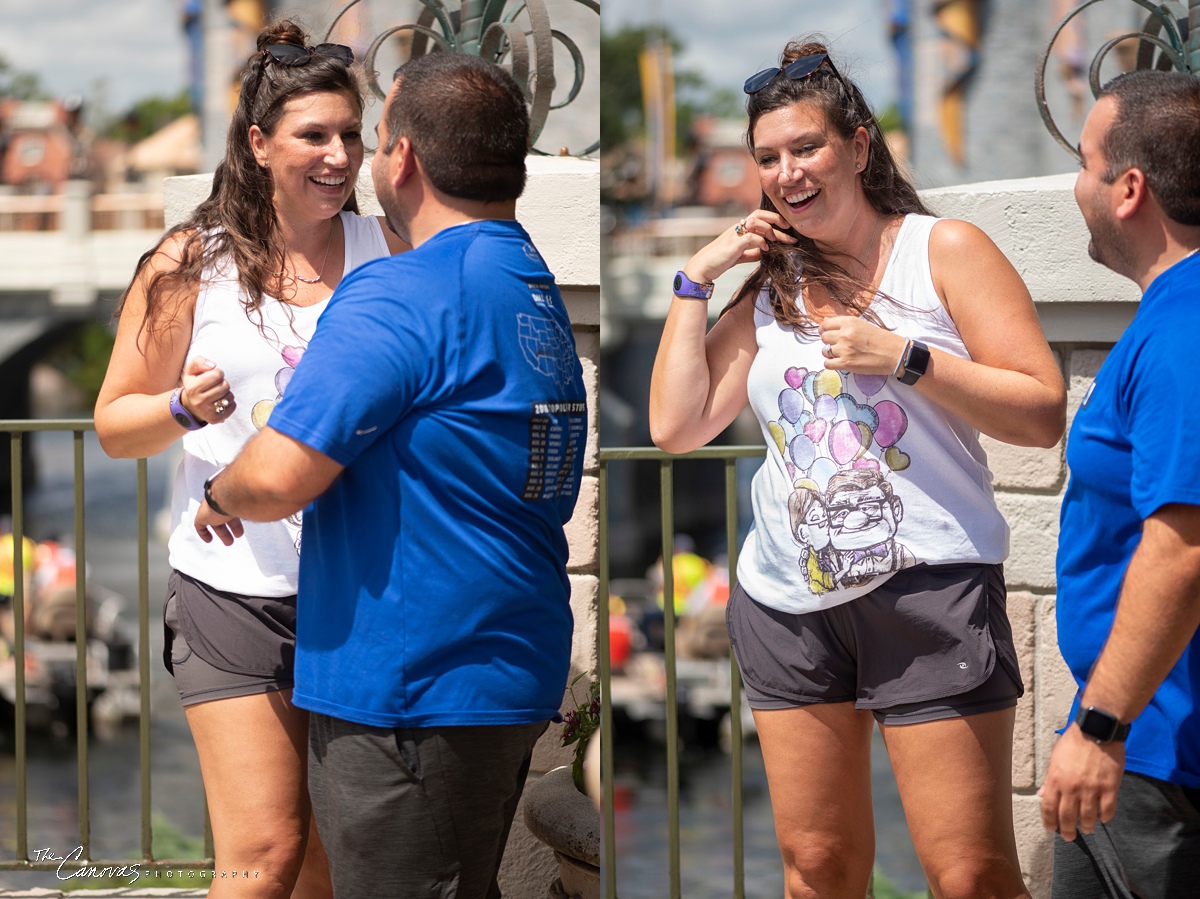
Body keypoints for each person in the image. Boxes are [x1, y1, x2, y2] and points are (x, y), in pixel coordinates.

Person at [650, 39, 1066, 899]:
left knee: (971, 874)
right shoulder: (768, 287)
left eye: (806, 148)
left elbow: (1039, 409)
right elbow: (676, 425)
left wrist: (903, 358)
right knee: (817, 868)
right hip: (787, 607)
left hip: (929, 594)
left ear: (859, 147)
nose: (787, 172)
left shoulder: (940, 249)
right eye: (768, 157)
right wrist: (697, 279)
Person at [191, 52, 587, 898]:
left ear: (401, 158)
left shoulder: (402, 291)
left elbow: (279, 473)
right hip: (505, 663)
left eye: (372, 138)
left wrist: (220, 492)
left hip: (411, 687)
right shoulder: (523, 278)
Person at [94, 18, 407, 897]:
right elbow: (116, 424)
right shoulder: (191, 263)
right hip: (231, 595)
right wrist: (177, 407)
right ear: (260, 143)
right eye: (315, 135)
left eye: (351, 134)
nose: (339, 155)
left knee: (330, 865)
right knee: (263, 852)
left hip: (364, 594)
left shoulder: (391, 257)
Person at [1040, 71, 1200, 898]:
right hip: (1134, 732)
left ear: (1130, 188)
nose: (1076, 184)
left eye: (1085, 162)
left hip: (1155, 749)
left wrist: (1100, 727)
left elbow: (1183, 552)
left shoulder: (1185, 332)